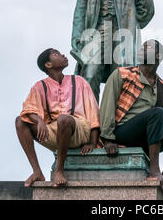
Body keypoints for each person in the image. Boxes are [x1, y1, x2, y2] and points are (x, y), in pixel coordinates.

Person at [99, 40, 163, 199]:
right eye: (142, 46)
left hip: (147, 136)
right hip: (122, 131)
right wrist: (108, 139)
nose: (142, 49)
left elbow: (159, 122)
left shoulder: (162, 87)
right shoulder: (123, 74)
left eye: (148, 47)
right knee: (157, 113)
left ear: (158, 56)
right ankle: (154, 171)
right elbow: (107, 106)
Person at [15, 48, 100, 187]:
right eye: (56, 54)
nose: (63, 55)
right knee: (20, 121)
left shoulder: (79, 81)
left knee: (63, 119)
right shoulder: (40, 86)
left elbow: (93, 112)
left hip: (79, 128)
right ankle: (37, 171)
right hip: (55, 131)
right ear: (48, 65)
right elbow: (27, 110)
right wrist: (39, 120)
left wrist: (93, 142)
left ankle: (59, 170)